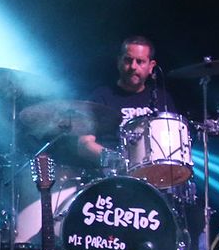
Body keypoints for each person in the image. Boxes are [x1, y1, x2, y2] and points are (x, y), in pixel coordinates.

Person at [77, 34, 179, 167]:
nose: (133, 67)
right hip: (114, 175)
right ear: (119, 62)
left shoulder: (162, 98)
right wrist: (115, 159)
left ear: (151, 66)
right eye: (128, 60)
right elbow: (84, 144)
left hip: (155, 172)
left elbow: (174, 142)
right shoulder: (101, 96)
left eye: (140, 61)